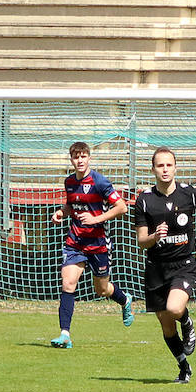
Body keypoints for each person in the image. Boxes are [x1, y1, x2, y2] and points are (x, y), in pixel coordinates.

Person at [133, 147, 196, 384]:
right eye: (160, 165)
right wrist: (154, 237)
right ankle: (183, 367)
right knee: (166, 324)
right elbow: (141, 241)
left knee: (174, 308)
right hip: (156, 268)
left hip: (183, 265)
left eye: (169, 165)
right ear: (153, 170)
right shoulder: (145, 200)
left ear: (175, 167)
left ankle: (188, 322)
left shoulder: (189, 194)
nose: (165, 169)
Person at [49, 141, 134, 348]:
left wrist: (96, 219)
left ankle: (124, 300)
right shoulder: (69, 182)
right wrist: (61, 212)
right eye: (76, 157)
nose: (80, 160)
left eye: (83, 156)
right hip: (75, 242)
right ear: (71, 160)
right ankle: (65, 334)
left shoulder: (100, 182)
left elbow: (121, 207)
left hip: (98, 244)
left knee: (102, 290)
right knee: (68, 284)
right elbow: (71, 205)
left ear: (89, 158)